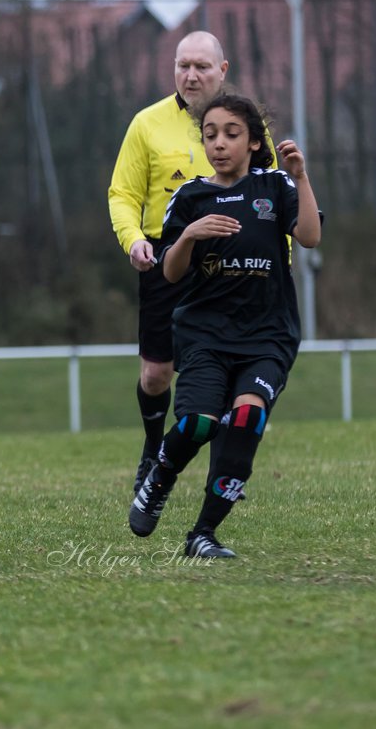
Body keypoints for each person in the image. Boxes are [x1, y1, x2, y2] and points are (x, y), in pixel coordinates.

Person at [127, 93, 321, 557]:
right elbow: (171, 273)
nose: (219, 144)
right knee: (197, 423)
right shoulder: (191, 196)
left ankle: (203, 535)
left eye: (231, 134)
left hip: (267, 334)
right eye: (210, 134)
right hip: (205, 335)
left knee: (249, 417)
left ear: (254, 142)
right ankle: (161, 476)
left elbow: (311, 237)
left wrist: (301, 177)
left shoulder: (275, 187)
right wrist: (190, 235)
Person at [108, 31, 231, 492]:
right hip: (166, 258)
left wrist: (281, 257)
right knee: (157, 373)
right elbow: (122, 194)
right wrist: (133, 240)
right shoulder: (147, 124)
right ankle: (152, 447)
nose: (191, 74)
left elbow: (272, 196)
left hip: (228, 262)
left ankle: (224, 469)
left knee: (226, 366)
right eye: (183, 65)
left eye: (201, 66)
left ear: (223, 70)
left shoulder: (245, 123)